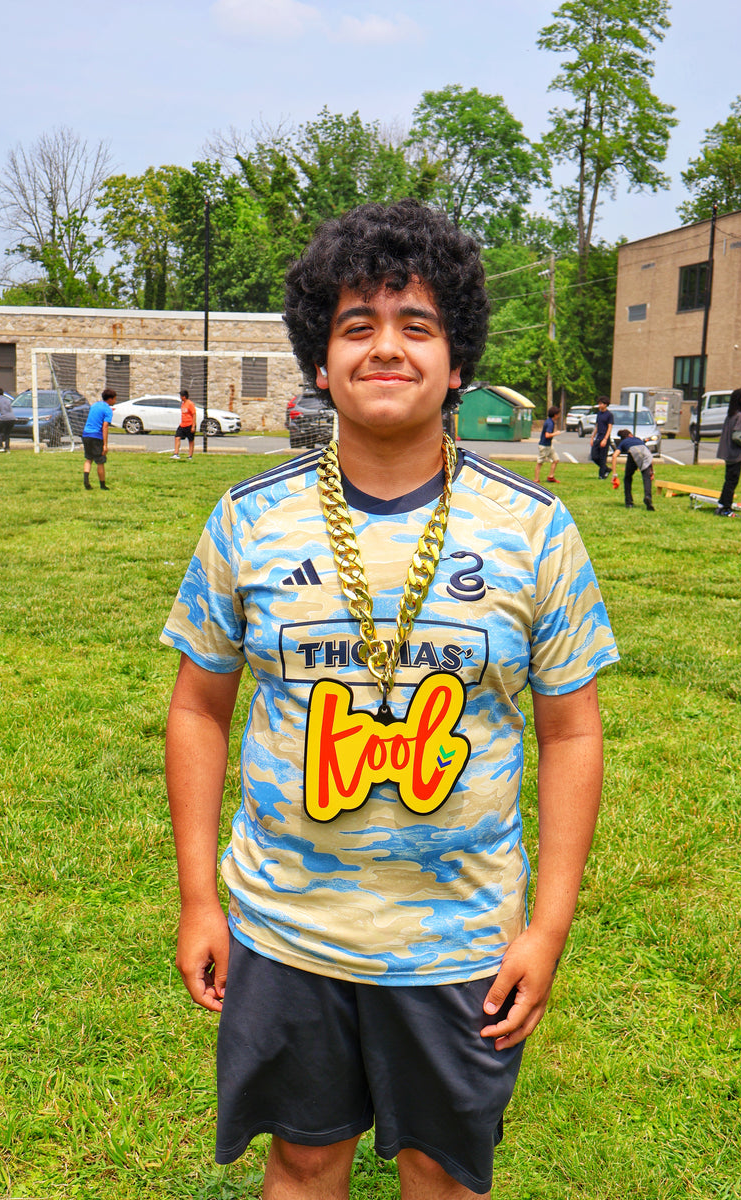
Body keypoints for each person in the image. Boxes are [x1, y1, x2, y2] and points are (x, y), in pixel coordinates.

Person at [162, 199, 619, 1200]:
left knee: (442, 1174)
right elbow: (197, 708)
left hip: (460, 940)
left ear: (456, 366)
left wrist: (545, 929)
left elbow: (571, 733)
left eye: (417, 325)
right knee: (301, 1159)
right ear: (319, 361)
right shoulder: (247, 520)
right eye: (355, 325)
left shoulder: (533, 529)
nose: (385, 347)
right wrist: (201, 898)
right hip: (285, 926)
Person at [715, 389, 741, 517]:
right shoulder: (740, 416)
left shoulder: (730, 415)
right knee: (732, 481)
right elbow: (737, 436)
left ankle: (721, 505)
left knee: (728, 480)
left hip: (726, 452)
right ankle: (726, 508)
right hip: (734, 454)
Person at [610, 429, 655, 510]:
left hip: (633, 453)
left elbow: (614, 456)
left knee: (628, 478)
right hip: (645, 453)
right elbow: (649, 455)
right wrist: (652, 471)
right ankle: (648, 497)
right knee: (647, 478)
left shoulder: (623, 442)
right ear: (630, 435)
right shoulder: (638, 440)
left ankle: (629, 502)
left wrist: (614, 475)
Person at [81, 388, 116, 490]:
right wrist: (105, 444)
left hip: (86, 434)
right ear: (110, 399)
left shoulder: (95, 405)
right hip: (96, 436)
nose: (115, 401)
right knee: (100, 461)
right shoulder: (108, 410)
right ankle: (102, 485)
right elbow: (105, 426)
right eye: (115, 399)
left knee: (89, 458)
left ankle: (86, 480)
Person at [533, 404, 561, 484]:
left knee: (556, 459)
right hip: (544, 446)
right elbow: (547, 435)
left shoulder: (550, 421)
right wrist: (556, 433)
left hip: (549, 445)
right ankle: (536, 479)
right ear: (555, 415)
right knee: (540, 462)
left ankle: (551, 477)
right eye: (558, 414)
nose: (559, 416)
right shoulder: (550, 423)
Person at [590, 397, 613, 479]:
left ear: (605, 404)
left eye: (601, 404)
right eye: (599, 403)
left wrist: (605, 439)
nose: (599, 405)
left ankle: (601, 475)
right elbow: (597, 426)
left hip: (604, 437)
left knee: (603, 457)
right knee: (594, 456)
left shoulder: (609, 415)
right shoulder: (599, 414)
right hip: (598, 437)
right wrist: (592, 437)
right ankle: (606, 469)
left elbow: (609, 427)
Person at [172, 388, 197, 460]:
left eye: (181, 396)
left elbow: (194, 414)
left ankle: (190, 456)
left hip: (189, 424)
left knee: (191, 440)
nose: (180, 397)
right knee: (177, 437)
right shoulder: (183, 404)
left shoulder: (190, 404)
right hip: (183, 424)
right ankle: (176, 454)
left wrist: (193, 426)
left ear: (184, 396)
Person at [0, 387, 16, 453]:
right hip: (12, 418)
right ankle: (7, 448)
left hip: (4, 418)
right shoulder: (8, 400)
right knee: (7, 433)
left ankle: (0, 446)